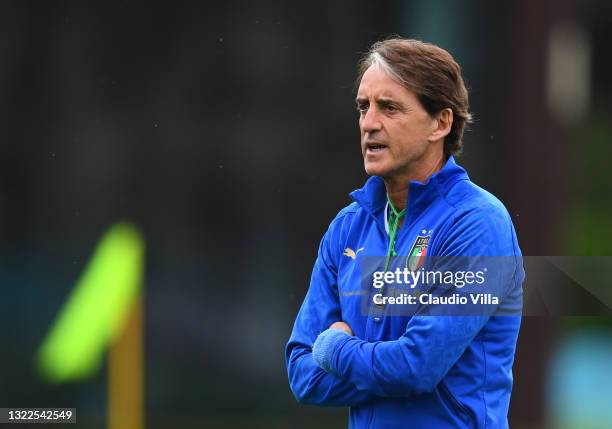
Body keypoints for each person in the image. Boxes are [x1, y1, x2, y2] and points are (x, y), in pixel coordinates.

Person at [285, 38, 524, 429]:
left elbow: (416, 367)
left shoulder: (479, 224)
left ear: (441, 123)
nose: (369, 122)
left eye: (390, 107)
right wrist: (389, 366)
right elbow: (302, 374)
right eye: (364, 106)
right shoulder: (348, 226)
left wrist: (336, 348)